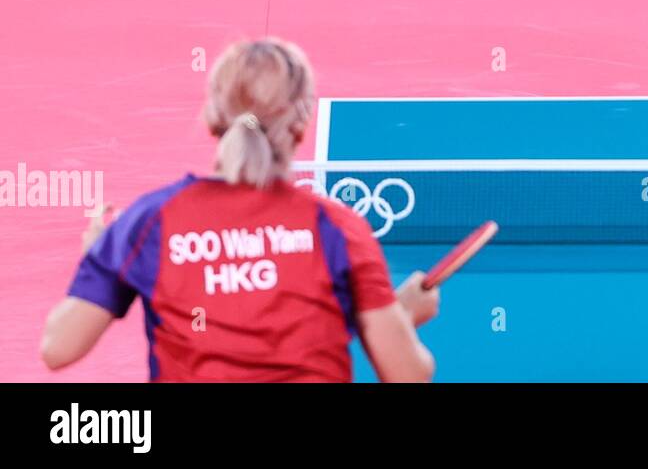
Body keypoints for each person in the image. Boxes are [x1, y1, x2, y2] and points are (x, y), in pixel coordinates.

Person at [40, 38, 441, 382]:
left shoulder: (148, 223)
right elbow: (406, 373)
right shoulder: (338, 229)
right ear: (301, 126)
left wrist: (102, 256)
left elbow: (57, 349)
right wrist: (402, 318)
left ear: (213, 119)